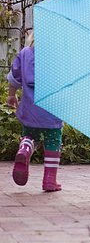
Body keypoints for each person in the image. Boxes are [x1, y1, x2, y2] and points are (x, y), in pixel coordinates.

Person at [6, 32, 63, 191]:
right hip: (52, 110)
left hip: (30, 109)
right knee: (53, 141)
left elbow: (14, 77)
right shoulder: (61, 57)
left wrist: (11, 96)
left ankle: (25, 148)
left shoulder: (25, 54)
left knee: (30, 135)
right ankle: (49, 180)